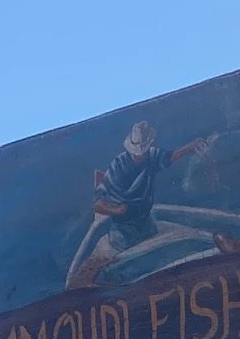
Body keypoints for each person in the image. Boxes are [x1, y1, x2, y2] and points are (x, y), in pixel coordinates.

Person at [66, 119, 217, 287]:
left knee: (196, 238)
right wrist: (117, 210)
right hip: (121, 237)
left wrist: (190, 147)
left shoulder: (151, 157)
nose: (140, 154)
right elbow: (98, 203)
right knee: (84, 279)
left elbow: (169, 157)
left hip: (148, 227)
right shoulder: (118, 166)